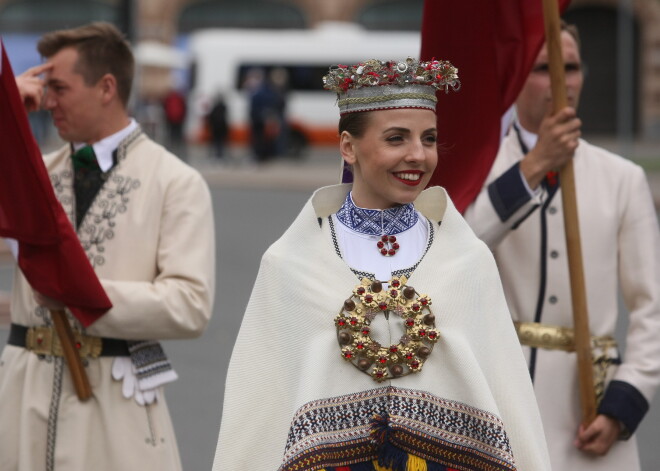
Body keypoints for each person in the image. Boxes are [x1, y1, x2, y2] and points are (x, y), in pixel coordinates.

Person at [213, 58, 551, 471]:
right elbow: (257, 414)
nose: (418, 155)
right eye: (396, 138)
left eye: (429, 139)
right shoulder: (289, 264)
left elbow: (509, 398)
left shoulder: (468, 259)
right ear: (348, 147)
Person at [0, 22, 215, 471]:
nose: (48, 101)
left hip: (114, 404)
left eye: (58, 87)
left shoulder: (175, 182)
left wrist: (81, 292)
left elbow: (189, 303)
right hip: (21, 399)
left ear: (106, 87)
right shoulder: (32, 176)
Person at [464, 21, 660, 470]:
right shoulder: (481, 168)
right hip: (503, 395)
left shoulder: (622, 178)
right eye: (542, 69)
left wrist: (623, 404)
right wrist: (533, 167)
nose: (560, 81)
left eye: (569, 67)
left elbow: (651, 308)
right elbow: (461, 248)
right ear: (514, 78)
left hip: (591, 407)